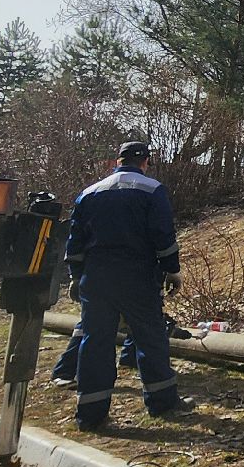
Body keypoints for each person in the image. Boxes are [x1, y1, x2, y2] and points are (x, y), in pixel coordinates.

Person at [65, 141, 194, 427]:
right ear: (145, 162)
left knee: (95, 341)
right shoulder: (152, 190)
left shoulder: (89, 193)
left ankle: (90, 413)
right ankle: (162, 403)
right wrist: (172, 271)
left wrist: (76, 275)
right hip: (137, 277)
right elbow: (163, 234)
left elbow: (75, 242)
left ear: (117, 160)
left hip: (96, 279)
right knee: (150, 337)